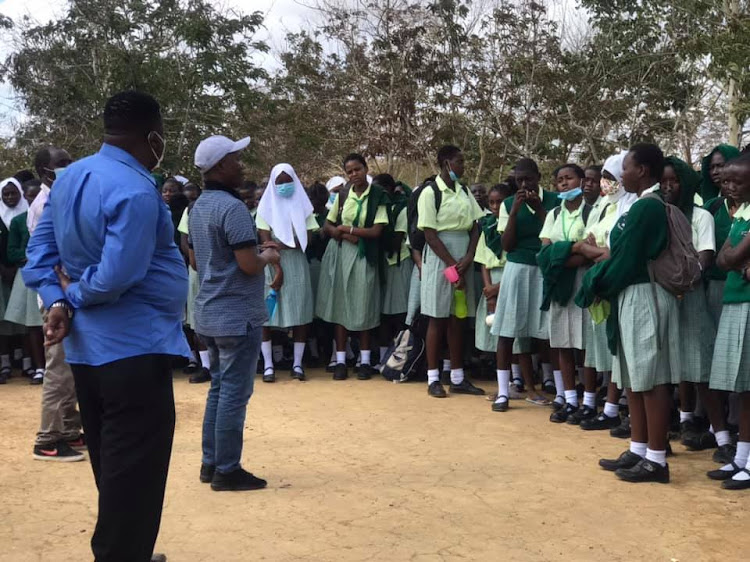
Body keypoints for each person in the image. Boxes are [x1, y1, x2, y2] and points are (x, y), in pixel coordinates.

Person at [24, 90, 187, 561]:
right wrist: (71, 297)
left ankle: (128, 550)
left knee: (114, 467)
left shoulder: (69, 179)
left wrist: (57, 299)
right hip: (134, 350)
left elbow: (41, 257)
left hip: (89, 353)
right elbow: (119, 273)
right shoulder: (136, 189)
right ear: (152, 136)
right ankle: (120, 553)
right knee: (134, 471)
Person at [577, 143, 680, 484]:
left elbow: (625, 259)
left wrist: (595, 283)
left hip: (644, 294)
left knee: (650, 377)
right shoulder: (635, 207)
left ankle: (656, 458)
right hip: (630, 295)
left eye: (628, 167)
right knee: (633, 377)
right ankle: (638, 447)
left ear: (644, 171)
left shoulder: (647, 208)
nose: (622, 174)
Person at [189, 134, 280, 492]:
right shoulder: (234, 209)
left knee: (218, 388)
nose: (241, 165)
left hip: (209, 312)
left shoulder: (197, 207)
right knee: (233, 394)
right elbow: (247, 265)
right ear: (221, 166)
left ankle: (211, 463)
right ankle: (228, 469)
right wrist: (268, 256)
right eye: (236, 159)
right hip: (236, 315)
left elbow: (199, 259)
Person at [660, 157, 728, 454]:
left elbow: (706, 256)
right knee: (662, 370)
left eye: (673, 180)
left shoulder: (701, 216)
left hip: (692, 296)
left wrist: (684, 282)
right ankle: (659, 436)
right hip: (662, 295)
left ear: (685, 183)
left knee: (700, 368)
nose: (667, 186)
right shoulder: (656, 213)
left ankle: (723, 438)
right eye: (662, 181)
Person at [25, 147, 85, 462]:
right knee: (58, 368)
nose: (68, 167)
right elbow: (45, 255)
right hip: (55, 298)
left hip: (65, 292)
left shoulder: (61, 196)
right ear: (45, 172)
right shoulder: (45, 203)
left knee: (69, 366)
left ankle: (69, 429)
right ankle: (47, 438)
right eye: (61, 164)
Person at [491, 158, 558, 411]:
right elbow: (506, 246)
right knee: (507, 331)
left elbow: (555, 234)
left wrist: (539, 209)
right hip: (517, 268)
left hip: (543, 267)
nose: (524, 185)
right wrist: (516, 212)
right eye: (519, 180)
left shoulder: (553, 201)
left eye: (528, 179)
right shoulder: (509, 203)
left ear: (538, 177)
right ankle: (502, 392)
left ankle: (561, 393)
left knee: (547, 333)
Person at [418, 145, 485, 398]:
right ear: (446, 163)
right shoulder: (430, 192)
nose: (463, 165)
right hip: (441, 258)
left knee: (459, 317)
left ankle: (457, 376)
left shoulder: (464, 190)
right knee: (438, 317)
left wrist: (468, 257)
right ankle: (433, 378)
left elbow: (476, 227)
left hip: (463, 256)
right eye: (459, 161)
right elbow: (429, 234)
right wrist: (452, 265)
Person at [316, 154, 388, 381]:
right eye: (349, 171)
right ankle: (340, 361)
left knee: (363, 305)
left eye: (357, 169)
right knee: (341, 307)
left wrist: (348, 230)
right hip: (342, 254)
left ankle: (365, 361)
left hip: (365, 256)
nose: (354, 174)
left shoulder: (378, 196)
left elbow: (376, 231)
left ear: (366, 169)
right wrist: (347, 235)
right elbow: (329, 225)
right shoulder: (343, 194)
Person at [577, 151, 631, 432]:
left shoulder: (629, 205)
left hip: (615, 283)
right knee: (599, 348)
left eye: (610, 178)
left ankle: (613, 408)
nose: (605, 184)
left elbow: (614, 251)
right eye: (604, 178)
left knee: (616, 350)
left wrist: (593, 250)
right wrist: (595, 251)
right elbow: (585, 243)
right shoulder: (605, 206)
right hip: (599, 281)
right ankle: (602, 406)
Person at [539, 164, 596, 423]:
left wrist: (562, 255)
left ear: (581, 181)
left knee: (584, 344)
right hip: (559, 283)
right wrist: (574, 248)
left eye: (569, 178)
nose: (564, 184)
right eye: (559, 180)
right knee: (562, 342)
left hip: (583, 281)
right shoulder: (553, 214)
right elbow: (545, 253)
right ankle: (570, 399)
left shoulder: (591, 212)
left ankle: (590, 401)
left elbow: (591, 253)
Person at [707, 152, 750, 489]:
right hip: (736, 298)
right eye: (728, 181)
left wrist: (736, 258)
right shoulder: (741, 213)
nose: (731, 186)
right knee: (743, 389)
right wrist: (738, 262)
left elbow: (731, 255)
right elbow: (724, 259)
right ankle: (742, 457)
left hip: (747, 304)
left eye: (739, 181)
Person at [257, 163, 317, 382]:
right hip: (272, 264)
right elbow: (266, 243)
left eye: (287, 181)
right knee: (267, 314)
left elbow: (307, 241)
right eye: (279, 182)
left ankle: (298, 364)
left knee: (300, 313)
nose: (284, 186)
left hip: (297, 265)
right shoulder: (265, 209)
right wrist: (278, 266)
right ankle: (269, 366)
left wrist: (281, 245)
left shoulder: (305, 207)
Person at [4, 179, 44, 384]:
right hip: (27, 273)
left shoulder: (51, 215)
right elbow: (11, 252)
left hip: (50, 272)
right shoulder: (19, 221)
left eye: (38, 195)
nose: (35, 199)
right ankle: (38, 368)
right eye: (31, 195)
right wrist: (30, 254)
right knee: (32, 324)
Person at [375, 174, 413, 363]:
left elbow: (396, 242)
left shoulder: (402, 208)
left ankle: (399, 358)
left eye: (381, 190)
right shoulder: (378, 208)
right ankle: (383, 359)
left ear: (390, 189)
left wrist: (374, 236)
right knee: (382, 313)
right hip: (381, 265)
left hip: (398, 264)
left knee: (399, 313)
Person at [0, 178, 29, 377]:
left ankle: (24, 360)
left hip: (23, 273)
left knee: (23, 319)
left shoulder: (27, 215)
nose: (10, 197)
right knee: (3, 319)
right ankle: (5, 362)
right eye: (6, 194)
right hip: (2, 273)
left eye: (13, 193)